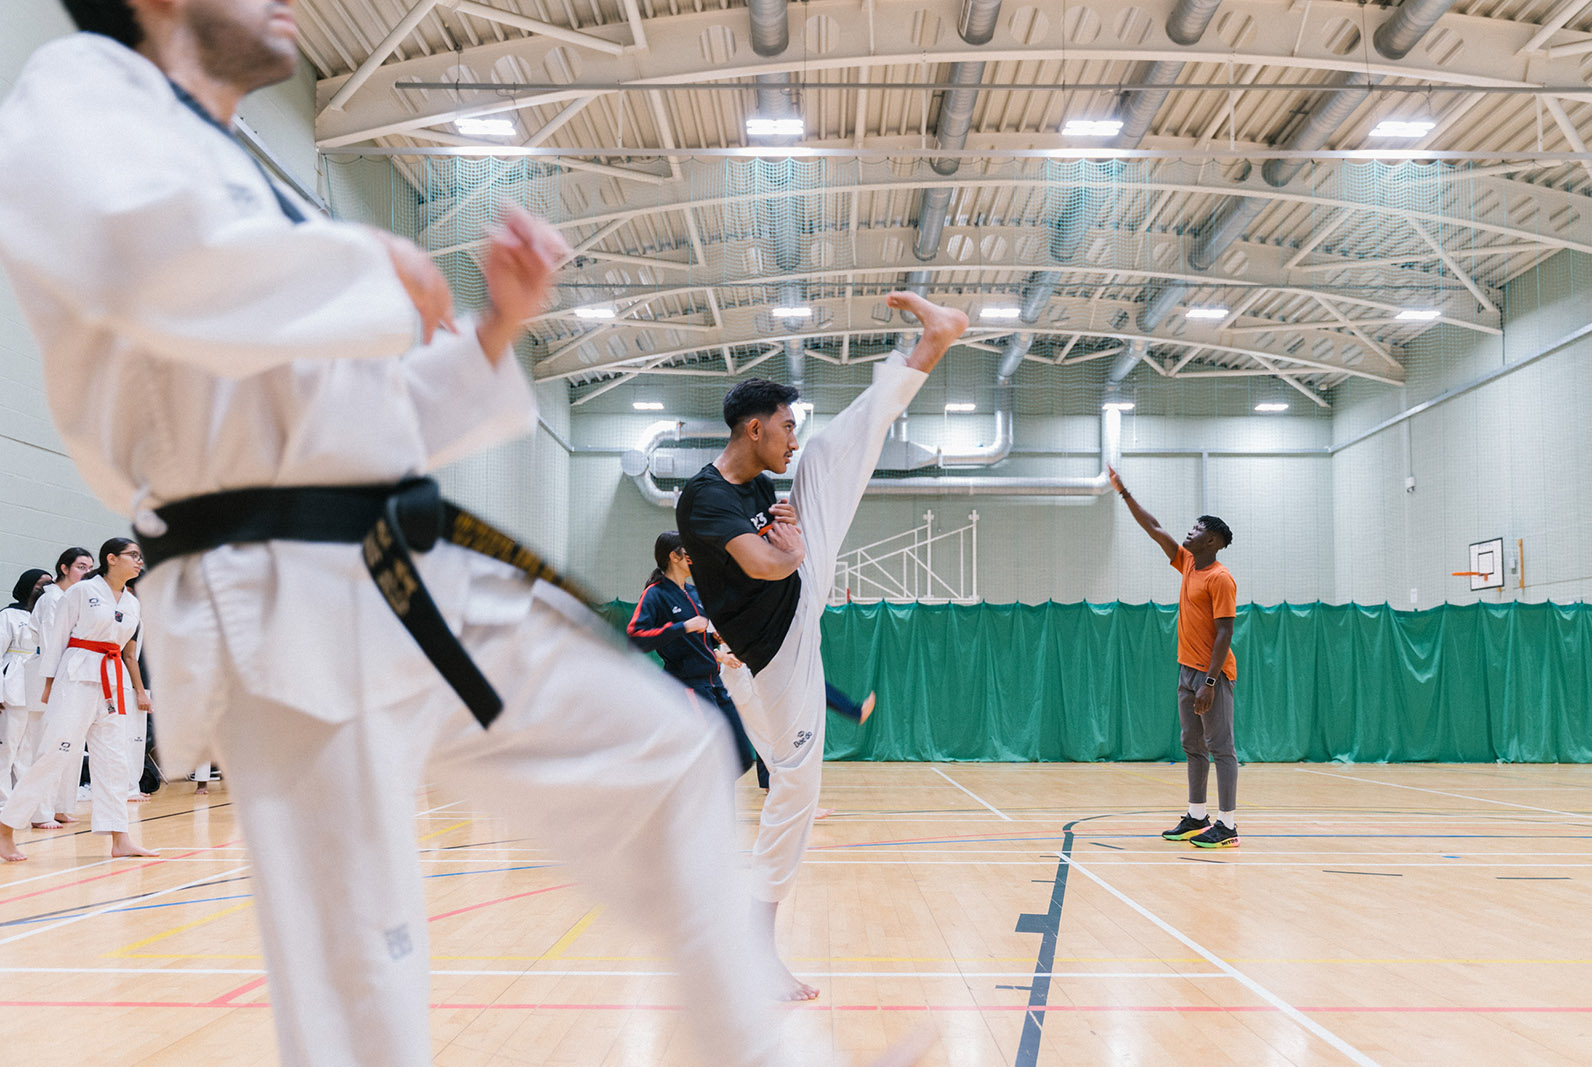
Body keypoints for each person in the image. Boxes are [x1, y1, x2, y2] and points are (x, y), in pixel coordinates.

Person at [0, 4, 927, 1065]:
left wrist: (492, 330)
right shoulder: (80, 92)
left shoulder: (235, 164)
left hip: (396, 569)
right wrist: (363, 263)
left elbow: (362, 419)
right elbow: (139, 261)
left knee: (669, 760)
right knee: (363, 987)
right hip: (273, 602)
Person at [677, 292, 968, 999]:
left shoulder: (770, 476)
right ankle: (752, 949)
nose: (791, 438)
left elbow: (787, 549)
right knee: (797, 787)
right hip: (776, 647)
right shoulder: (703, 499)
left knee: (843, 445)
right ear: (752, 428)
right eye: (783, 427)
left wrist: (795, 545)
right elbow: (767, 563)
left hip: (794, 602)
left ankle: (932, 342)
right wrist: (793, 547)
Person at [1107, 466, 1240, 848]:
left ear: (1211, 540)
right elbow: (1154, 528)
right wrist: (1125, 493)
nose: (1190, 532)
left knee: (1222, 749)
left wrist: (1210, 683)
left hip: (1212, 675)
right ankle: (1197, 817)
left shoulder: (1220, 578)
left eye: (1198, 529)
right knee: (1192, 746)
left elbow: (1225, 632)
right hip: (1186, 671)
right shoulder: (1186, 564)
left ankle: (1227, 825)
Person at [0, 538, 156, 859]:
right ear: (111, 559)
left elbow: (126, 649)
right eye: (133, 556)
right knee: (53, 754)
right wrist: (48, 682)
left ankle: (120, 838)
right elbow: (56, 638)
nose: (139, 562)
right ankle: (5, 829)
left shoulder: (132, 602)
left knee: (115, 760)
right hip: (76, 676)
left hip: (111, 682)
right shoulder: (82, 591)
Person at [627, 531, 764, 782]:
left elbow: (696, 639)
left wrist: (714, 640)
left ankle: (692, 796)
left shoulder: (695, 593)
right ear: (673, 556)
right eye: (687, 550)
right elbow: (635, 637)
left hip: (714, 683)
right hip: (687, 685)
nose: (693, 556)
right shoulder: (656, 595)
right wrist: (684, 626)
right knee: (711, 752)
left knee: (742, 757)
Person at [18, 546, 95, 828]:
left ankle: (61, 805)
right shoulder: (52, 600)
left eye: (89, 568)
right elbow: (52, 646)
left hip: (68, 678)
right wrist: (55, 682)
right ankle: (39, 812)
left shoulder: (76, 599)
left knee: (69, 746)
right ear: (64, 568)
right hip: (45, 678)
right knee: (43, 745)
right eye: (81, 567)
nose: (86, 572)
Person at [0, 568, 52, 806]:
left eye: (49, 584)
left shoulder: (45, 617)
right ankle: (3, 799)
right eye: (40, 584)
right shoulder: (8, 615)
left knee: (27, 750)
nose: (44, 589)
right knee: (7, 747)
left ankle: (20, 801)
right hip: (12, 685)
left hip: (34, 684)